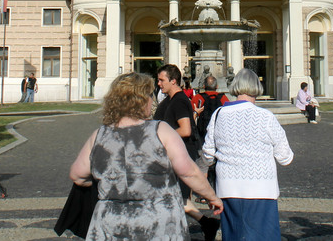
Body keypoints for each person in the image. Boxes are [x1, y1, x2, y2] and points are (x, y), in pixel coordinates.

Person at [69, 72, 222, 240]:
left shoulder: (99, 135)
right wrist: (212, 196)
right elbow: (188, 171)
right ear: (141, 100)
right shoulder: (161, 131)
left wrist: (110, 181)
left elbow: (77, 175)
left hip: (112, 223)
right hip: (157, 221)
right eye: (150, 96)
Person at [201, 68, 293, 240]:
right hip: (260, 189)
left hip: (228, 188)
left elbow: (207, 154)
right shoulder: (265, 117)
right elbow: (285, 157)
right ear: (257, 88)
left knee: (233, 235)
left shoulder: (219, 115)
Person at [154, 64, 220, 241]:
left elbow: (185, 130)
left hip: (180, 154)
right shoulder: (168, 100)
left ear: (173, 80)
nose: (158, 83)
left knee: (173, 196)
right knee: (176, 197)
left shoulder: (180, 101)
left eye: (162, 80)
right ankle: (207, 223)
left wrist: (160, 136)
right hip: (170, 154)